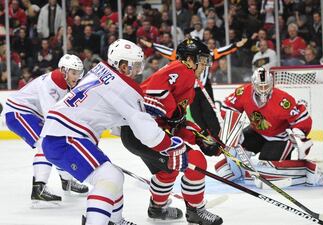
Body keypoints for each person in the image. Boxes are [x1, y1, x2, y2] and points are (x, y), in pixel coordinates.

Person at [40, 39, 187, 225]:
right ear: (123, 66)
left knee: (115, 176)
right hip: (66, 137)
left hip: (61, 135)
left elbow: (112, 117)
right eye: (135, 66)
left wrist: (142, 110)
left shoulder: (99, 72)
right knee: (109, 176)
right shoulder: (123, 87)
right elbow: (146, 133)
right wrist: (169, 145)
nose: (137, 71)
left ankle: (114, 221)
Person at [121, 38, 223, 225]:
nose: (205, 64)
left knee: (168, 170)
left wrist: (201, 137)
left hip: (138, 134)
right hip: (144, 132)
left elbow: (177, 123)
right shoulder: (182, 69)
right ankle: (195, 211)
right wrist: (172, 112)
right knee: (196, 162)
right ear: (189, 59)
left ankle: (157, 209)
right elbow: (154, 94)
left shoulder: (186, 81)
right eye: (202, 59)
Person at [215, 67, 323, 188]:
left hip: (279, 138)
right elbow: (229, 106)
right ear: (253, 84)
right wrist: (234, 128)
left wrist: (298, 134)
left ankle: (306, 172)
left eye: (266, 86)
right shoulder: (243, 92)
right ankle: (238, 170)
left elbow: (300, 117)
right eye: (260, 86)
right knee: (234, 148)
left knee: (266, 167)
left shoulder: (282, 100)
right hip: (256, 132)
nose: (263, 89)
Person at [2, 54, 89, 207]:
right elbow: (52, 116)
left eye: (78, 72)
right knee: (46, 144)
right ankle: (38, 188)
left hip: (31, 115)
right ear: (63, 70)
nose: (77, 76)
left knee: (58, 144)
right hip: (18, 113)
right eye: (74, 72)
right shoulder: (51, 83)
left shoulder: (66, 84)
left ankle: (66, 181)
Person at [139, 37, 248, 137]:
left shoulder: (206, 55)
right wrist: (152, 45)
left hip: (204, 88)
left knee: (209, 114)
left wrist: (236, 45)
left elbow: (222, 51)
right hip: (191, 90)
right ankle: (207, 136)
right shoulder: (182, 62)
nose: (204, 65)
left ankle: (217, 136)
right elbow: (166, 51)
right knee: (196, 116)